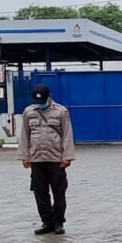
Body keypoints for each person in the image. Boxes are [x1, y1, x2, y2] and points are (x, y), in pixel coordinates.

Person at [17, 84, 75, 235]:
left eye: (42, 100)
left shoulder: (61, 111)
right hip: (36, 159)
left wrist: (67, 156)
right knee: (40, 192)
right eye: (37, 101)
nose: (40, 103)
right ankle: (46, 222)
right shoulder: (28, 111)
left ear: (49, 97)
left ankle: (58, 222)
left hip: (56, 159)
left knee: (59, 192)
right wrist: (24, 156)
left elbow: (67, 134)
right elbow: (25, 134)